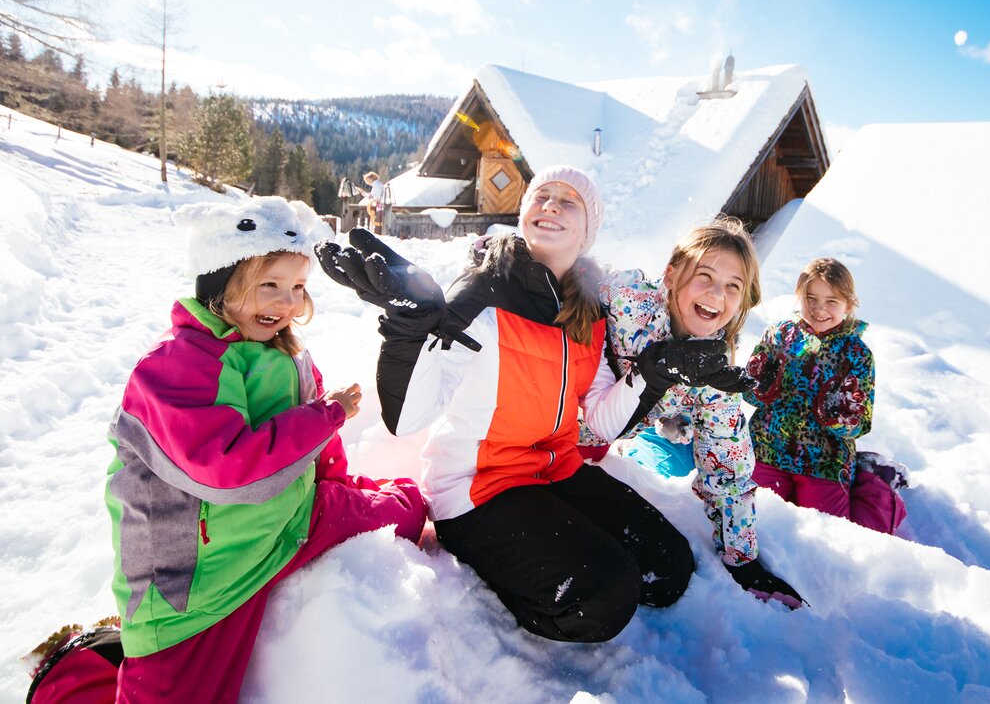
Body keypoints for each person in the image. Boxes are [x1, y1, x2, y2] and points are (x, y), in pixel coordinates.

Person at [318, 166, 735, 643]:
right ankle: (501, 583)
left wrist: (656, 371)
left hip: (555, 471)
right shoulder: (483, 292)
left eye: (568, 200)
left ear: (587, 231)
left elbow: (600, 416)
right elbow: (410, 416)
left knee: (667, 569)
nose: (551, 205)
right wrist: (408, 329)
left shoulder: (588, 308)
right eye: (542, 196)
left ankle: (561, 549)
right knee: (604, 599)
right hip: (479, 488)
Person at [105, 196, 427, 702]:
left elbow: (317, 451)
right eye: (269, 286)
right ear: (218, 285)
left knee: (406, 511)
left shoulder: (288, 354)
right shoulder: (177, 365)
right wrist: (327, 414)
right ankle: (78, 672)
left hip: (289, 527)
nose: (286, 304)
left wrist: (339, 486)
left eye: (298, 288)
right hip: (199, 587)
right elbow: (227, 468)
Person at [577, 217, 805, 609]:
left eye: (733, 286)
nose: (718, 293)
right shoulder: (629, 300)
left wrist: (743, 562)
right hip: (532, 434)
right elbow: (568, 273)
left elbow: (728, 470)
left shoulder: (713, 373)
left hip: (586, 454)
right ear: (671, 275)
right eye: (705, 276)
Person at [745, 257, 907, 534]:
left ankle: (876, 481)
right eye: (811, 298)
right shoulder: (779, 335)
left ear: (849, 303)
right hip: (767, 449)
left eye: (831, 301)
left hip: (825, 463)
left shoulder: (856, 354)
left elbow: (860, 424)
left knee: (833, 536)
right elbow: (751, 395)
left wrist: (840, 415)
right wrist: (758, 387)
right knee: (754, 522)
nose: (819, 309)